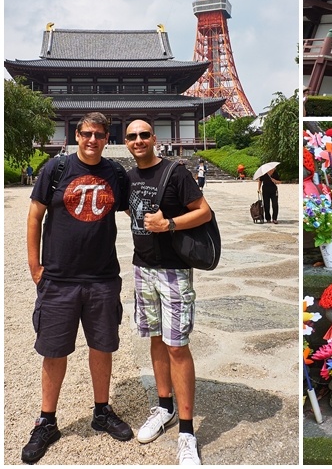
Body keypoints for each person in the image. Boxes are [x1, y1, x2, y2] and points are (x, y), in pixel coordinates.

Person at [23, 112, 133, 464]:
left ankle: (101, 411)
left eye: (99, 135)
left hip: (102, 277)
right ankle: (47, 420)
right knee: (53, 350)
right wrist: (34, 265)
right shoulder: (56, 169)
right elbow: (35, 215)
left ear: (107, 138)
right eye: (86, 133)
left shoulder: (115, 173)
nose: (92, 140)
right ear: (76, 135)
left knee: (102, 346)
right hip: (59, 277)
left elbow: (138, 212)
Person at [124, 120, 212, 465]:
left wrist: (169, 224)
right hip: (141, 268)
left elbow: (204, 212)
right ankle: (164, 408)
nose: (138, 140)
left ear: (154, 139)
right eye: (132, 136)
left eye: (144, 134)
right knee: (156, 339)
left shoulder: (175, 172)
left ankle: (187, 432)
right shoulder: (128, 178)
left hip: (174, 270)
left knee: (177, 346)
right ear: (126, 142)